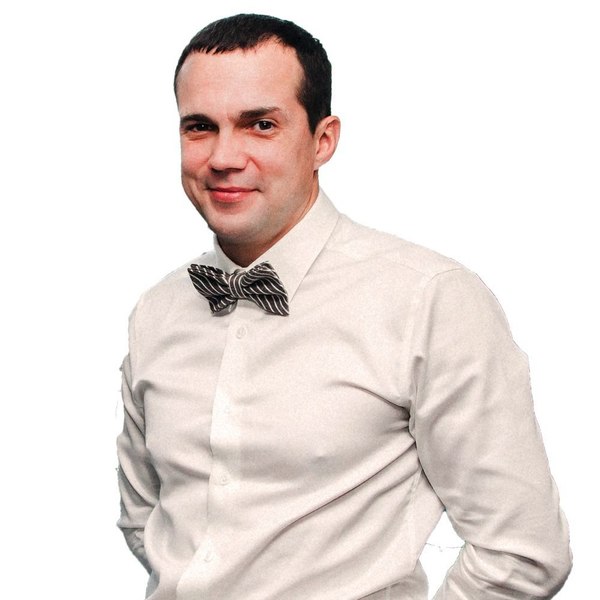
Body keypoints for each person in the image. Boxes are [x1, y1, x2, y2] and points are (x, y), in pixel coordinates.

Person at [116, 13, 572, 600]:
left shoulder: (429, 299)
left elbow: (524, 551)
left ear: (322, 140)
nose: (224, 156)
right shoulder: (156, 312)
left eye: (260, 125)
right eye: (200, 127)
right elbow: (147, 521)